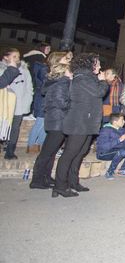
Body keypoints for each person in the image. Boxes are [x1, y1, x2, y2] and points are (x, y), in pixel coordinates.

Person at [53, 53, 108, 198]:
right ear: (89, 64)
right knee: (69, 154)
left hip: (87, 121)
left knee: (80, 153)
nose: (100, 67)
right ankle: (59, 186)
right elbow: (99, 92)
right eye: (98, 63)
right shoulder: (83, 78)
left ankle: (73, 181)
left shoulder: (88, 78)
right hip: (79, 122)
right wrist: (103, 81)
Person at [30, 55, 72, 189]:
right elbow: (61, 102)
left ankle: (46, 177)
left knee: (52, 152)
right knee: (47, 152)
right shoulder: (61, 84)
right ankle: (37, 180)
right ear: (63, 72)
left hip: (57, 119)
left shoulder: (59, 82)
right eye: (69, 71)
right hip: (57, 120)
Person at [0, 49, 33, 160]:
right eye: (14, 56)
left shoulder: (24, 70)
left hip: (18, 105)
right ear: (6, 57)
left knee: (15, 129)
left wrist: (27, 101)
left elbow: (29, 87)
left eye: (18, 56)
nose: (17, 59)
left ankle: (10, 151)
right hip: (4, 105)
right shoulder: (2, 69)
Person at [25, 47, 51, 153]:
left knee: (45, 124)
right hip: (42, 100)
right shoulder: (43, 68)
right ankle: (31, 145)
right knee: (40, 123)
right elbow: (45, 83)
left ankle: (39, 145)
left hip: (46, 99)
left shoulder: (43, 68)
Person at [96, 113, 125, 179]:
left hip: (118, 151)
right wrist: (120, 139)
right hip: (103, 153)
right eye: (122, 120)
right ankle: (110, 172)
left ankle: (123, 170)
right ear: (115, 122)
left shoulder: (122, 130)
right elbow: (103, 147)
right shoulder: (105, 130)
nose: (124, 121)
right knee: (122, 151)